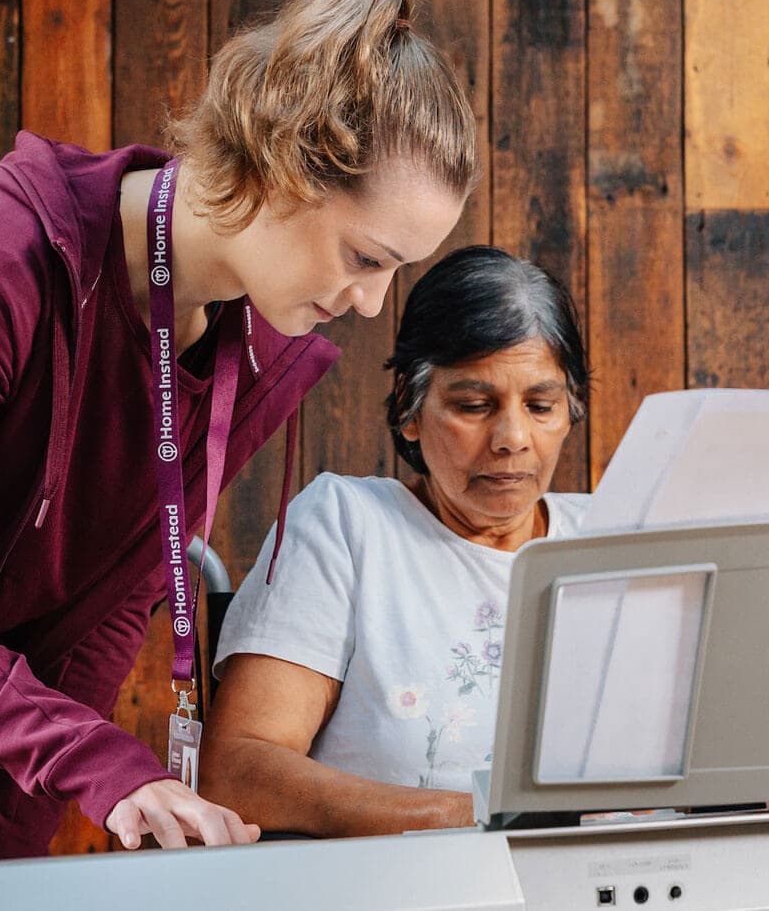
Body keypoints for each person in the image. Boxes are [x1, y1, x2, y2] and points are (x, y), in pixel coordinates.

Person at [0, 0, 476, 862]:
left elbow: (104, 613)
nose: (375, 303)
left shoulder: (256, 349)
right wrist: (99, 764)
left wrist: (4, 864)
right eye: (364, 256)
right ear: (282, 163)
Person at [200, 245, 591, 838]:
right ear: (411, 407)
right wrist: (480, 820)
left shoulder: (614, 537)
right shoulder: (349, 527)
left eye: (541, 405)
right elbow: (238, 771)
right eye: (474, 405)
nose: (513, 438)